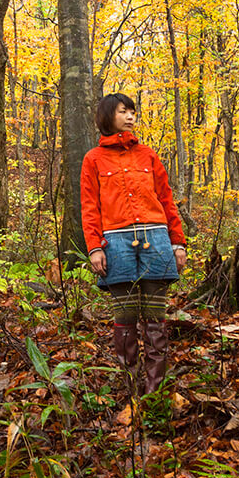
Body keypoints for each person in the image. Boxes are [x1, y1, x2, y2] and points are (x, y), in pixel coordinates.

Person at [80, 94, 188, 395]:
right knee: (125, 318)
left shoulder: (148, 155)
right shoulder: (93, 160)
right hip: (115, 242)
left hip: (156, 238)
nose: (129, 116)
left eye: (132, 111)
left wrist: (177, 243)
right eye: (122, 111)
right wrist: (95, 247)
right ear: (107, 116)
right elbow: (89, 207)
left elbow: (167, 200)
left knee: (155, 318)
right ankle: (131, 387)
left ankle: (155, 391)